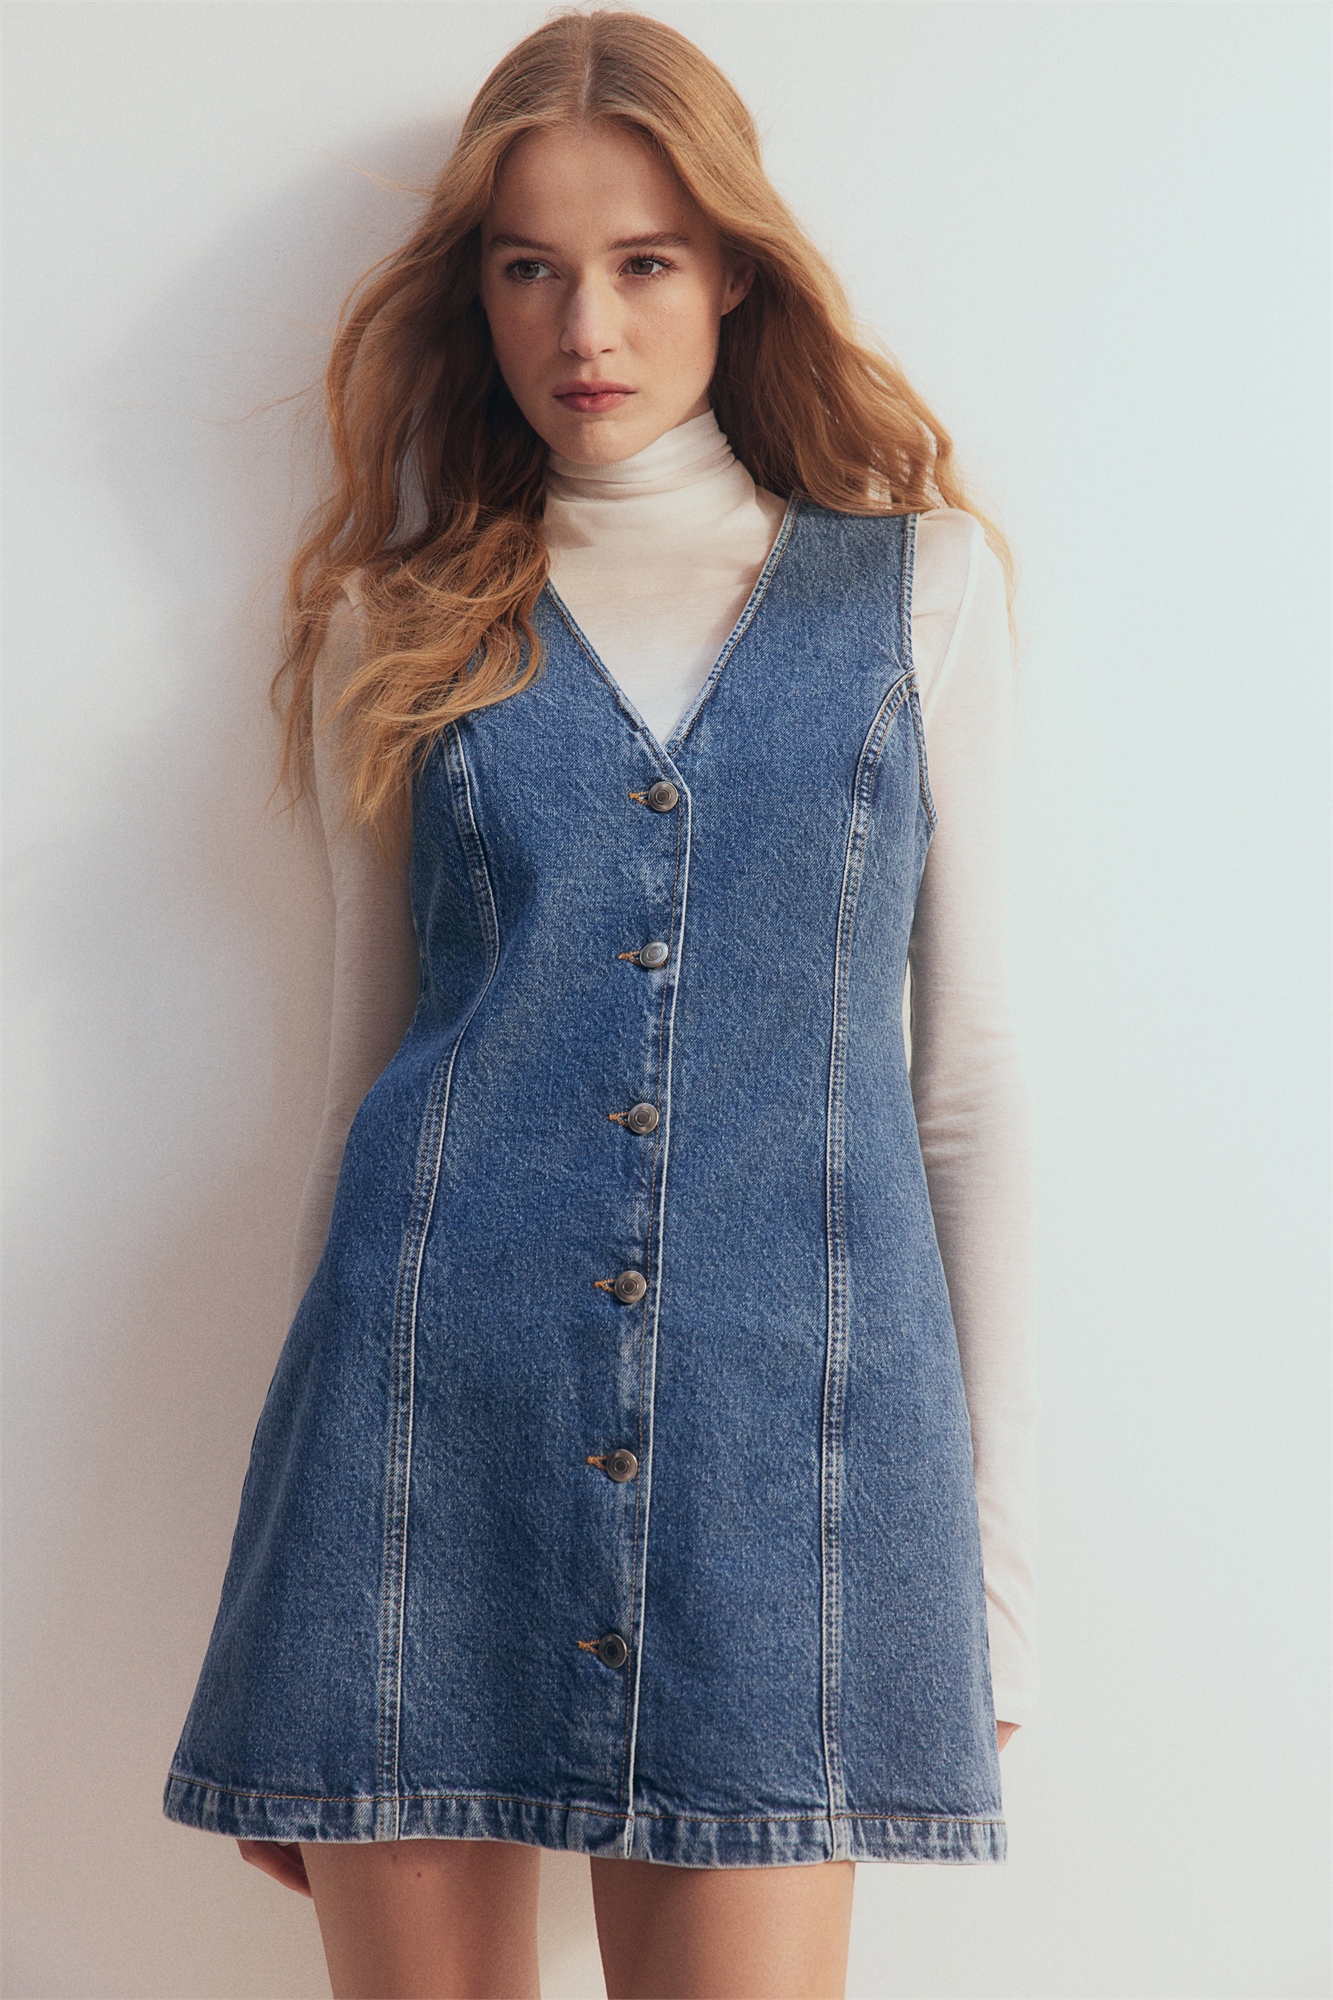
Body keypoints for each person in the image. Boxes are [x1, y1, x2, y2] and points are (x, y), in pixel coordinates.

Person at [163, 11, 1036, 1996]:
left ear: (732, 267)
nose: (586, 327)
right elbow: (360, 1090)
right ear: (473, 291)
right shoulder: (393, 624)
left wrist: (986, 1578)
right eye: (528, 267)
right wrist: (302, 1597)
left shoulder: (918, 593)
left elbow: (971, 1087)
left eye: (643, 260)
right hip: (422, 1442)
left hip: (790, 1466)